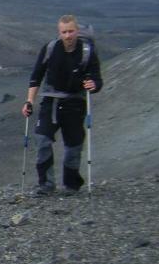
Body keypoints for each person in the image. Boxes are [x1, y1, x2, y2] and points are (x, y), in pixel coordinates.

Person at [21, 15, 102, 194]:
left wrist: (94, 85)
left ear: (77, 31)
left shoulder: (87, 51)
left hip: (75, 102)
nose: (67, 36)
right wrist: (29, 101)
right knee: (42, 138)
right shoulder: (51, 48)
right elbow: (36, 76)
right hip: (51, 100)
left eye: (71, 31)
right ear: (59, 32)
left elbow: (97, 78)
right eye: (64, 32)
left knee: (73, 144)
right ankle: (46, 184)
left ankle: (71, 184)